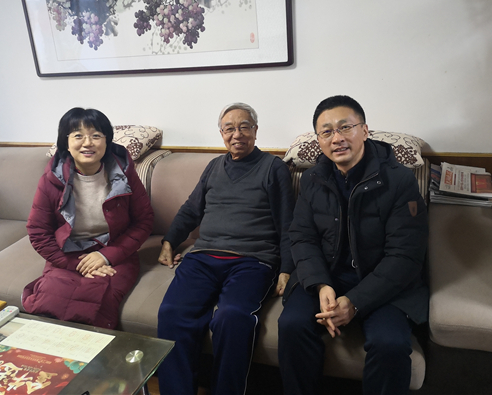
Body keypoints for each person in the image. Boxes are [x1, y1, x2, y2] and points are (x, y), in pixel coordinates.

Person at [278, 95, 429, 395]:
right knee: (292, 325)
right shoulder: (312, 179)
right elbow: (302, 237)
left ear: (365, 130)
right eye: (327, 132)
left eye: (345, 127)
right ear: (319, 140)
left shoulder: (400, 181)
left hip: (382, 282)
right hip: (327, 275)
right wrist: (321, 284)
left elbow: (405, 255)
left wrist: (355, 301)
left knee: (390, 344)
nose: (337, 138)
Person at [156, 102, 295, 395]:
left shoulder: (274, 168)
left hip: (253, 261)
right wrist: (169, 241)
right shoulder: (214, 166)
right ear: (221, 134)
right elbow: (191, 209)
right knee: (172, 312)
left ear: (255, 131)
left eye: (244, 127)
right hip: (203, 257)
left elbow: (287, 222)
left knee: (232, 317)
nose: (237, 134)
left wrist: (286, 269)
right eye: (229, 128)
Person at [22, 108, 154, 329]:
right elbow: (38, 231)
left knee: (98, 307)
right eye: (78, 136)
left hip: (115, 251)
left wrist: (105, 256)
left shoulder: (124, 174)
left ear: (107, 141)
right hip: (67, 253)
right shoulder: (51, 179)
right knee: (49, 303)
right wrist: (76, 264)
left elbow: (144, 221)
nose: (87, 143)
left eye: (96, 135)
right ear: (65, 142)